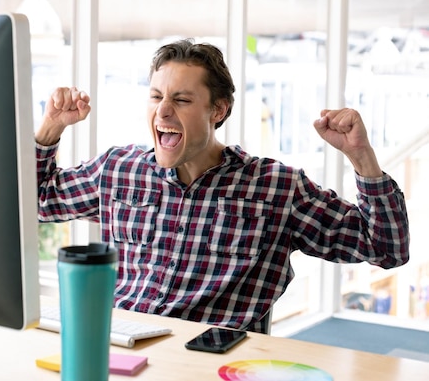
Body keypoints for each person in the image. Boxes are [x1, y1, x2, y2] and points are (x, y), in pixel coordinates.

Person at [34, 39, 410, 333]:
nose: (163, 111)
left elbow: (385, 249)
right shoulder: (119, 169)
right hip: (120, 348)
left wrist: (361, 157)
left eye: (181, 99)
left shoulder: (276, 188)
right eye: (155, 96)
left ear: (218, 110)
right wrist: (51, 126)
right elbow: (39, 200)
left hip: (213, 362)